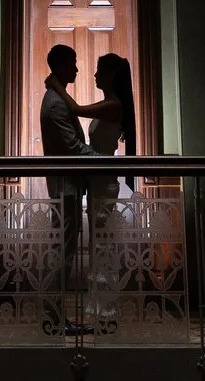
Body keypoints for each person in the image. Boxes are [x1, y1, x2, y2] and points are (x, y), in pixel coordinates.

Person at [76, 53, 136, 330]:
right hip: (97, 182)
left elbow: (76, 108)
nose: (95, 75)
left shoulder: (113, 105)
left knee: (104, 248)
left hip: (105, 183)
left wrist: (54, 87)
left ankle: (108, 312)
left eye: (99, 70)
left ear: (111, 74)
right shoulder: (108, 103)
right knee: (99, 246)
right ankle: (102, 311)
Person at [41, 44, 95, 334]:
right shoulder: (56, 104)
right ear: (60, 65)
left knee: (63, 251)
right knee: (62, 253)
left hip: (68, 184)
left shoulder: (57, 99)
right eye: (72, 63)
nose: (76, 69)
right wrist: (102, 161)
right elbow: (72, 147)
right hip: (66, 187)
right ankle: (53, 317)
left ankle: (56, 317)